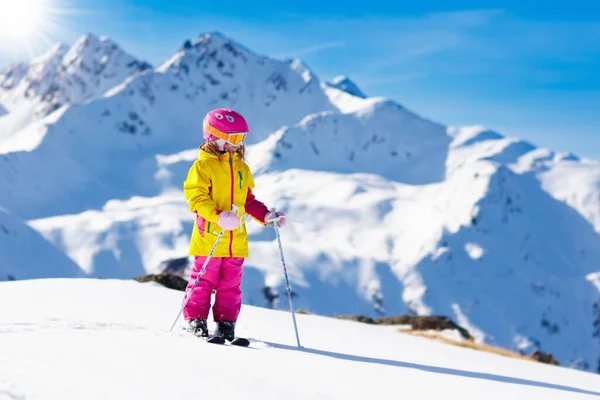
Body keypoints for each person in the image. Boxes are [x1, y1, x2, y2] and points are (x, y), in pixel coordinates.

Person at [182, 108, 286, 341]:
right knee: (203, 281)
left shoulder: (241, 168)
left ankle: (226, 323)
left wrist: (267, 216)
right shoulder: (203, 167)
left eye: (241, 138)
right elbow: (197, 199)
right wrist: (217, 216)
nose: (238, 144)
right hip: (210, 237)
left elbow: (247, 201)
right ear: (214, 136)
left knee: (230, 286)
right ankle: (195, 321)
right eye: (234, 138)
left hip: (235, 240)